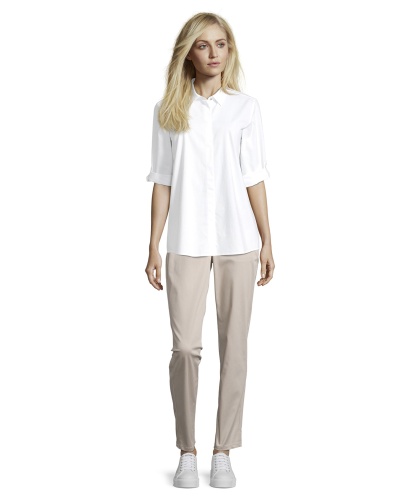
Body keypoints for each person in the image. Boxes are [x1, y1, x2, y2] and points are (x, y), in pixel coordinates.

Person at [145, 12, 275, 488]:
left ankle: (223, 450)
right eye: (203, 45)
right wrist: (153, 244)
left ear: (229, 50)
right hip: (186, 241)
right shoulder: (168, 110)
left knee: (234, 347)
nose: (214, 53)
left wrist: (267, 238)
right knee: (184, 348)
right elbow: (162, 181)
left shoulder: (246, 108)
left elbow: (253, 176)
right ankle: (187, 449)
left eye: (221, 44)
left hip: (238, 240)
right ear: (189, 54)